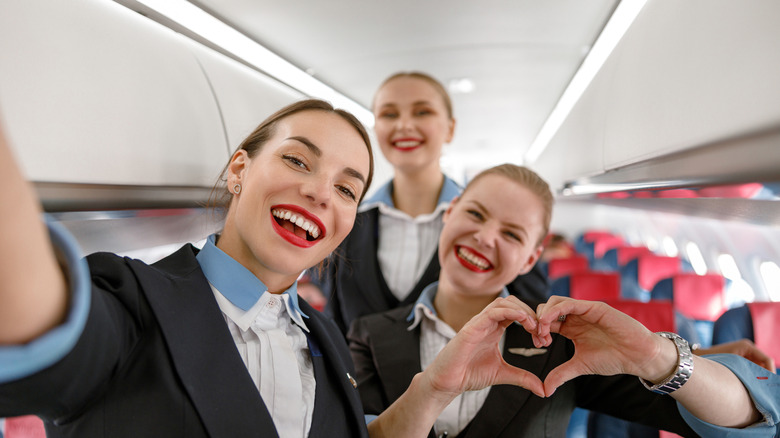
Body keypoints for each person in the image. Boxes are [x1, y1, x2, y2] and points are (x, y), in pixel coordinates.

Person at [0, 100, 543, 438]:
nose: (317, 191)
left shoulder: (324, 339)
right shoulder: (132, 299)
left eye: (347, 188)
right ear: (239, 170)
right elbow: (31, 314)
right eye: (297, 160)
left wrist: (434, 389)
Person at [349, 164, 779, 438]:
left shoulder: (557, 344)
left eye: (512, 234)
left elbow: (745, 423)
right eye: (475, 214)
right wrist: (430, 391)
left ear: (532, 258)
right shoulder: (368, 332)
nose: (484, 237)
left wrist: (654, 354)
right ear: (450, 212)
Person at [309, 72, 547, 336]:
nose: (405, 125)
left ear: (450, 128)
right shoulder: (348, 220)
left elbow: (529, 320)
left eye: (422, 112)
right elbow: (336, 324)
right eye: (389, 114)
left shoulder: (492, 230)